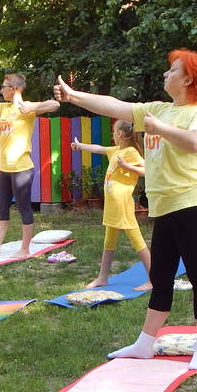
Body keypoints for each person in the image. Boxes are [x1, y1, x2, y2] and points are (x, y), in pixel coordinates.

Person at [54, 50, 197, 369]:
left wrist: (160, 128)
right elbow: (114, 105)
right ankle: (144, 344)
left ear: (188, 79)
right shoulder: (158, 109)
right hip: (163, 207)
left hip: (192, 205)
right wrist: (74, 96)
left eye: (173, 70)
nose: (166, 74)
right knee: (160, 275)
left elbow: (196, 143)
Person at [0, 73, 61, 258]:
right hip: (5, 168)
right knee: (2, 208)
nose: (1, 90)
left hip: (22, 168)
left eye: (3, 87)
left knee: (24, 208)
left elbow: (55, 104)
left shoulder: (26, 109)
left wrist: (32, 107)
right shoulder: (4, 108)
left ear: (14, 89)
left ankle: (25, 249)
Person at [70, 119, 151, 290]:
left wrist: (126, 166)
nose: (113, 134)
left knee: (136, 239)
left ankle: (154, 279)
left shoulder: (131, 152)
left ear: (120, 134)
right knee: (109, 241)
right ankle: (102, 278)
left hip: (122, 203)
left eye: (114, 131)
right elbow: (98, 148)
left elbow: (146, 170)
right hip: (113, 205)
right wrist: (80, 146)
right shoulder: (116, 150)